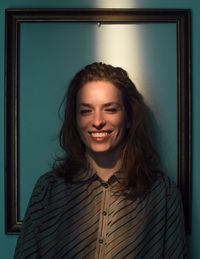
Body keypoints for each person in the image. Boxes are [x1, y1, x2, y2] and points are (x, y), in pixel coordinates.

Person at [14, 62, 187, 258]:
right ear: (75, 119)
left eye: (110, 109)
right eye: (86, 111)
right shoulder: (48, 190)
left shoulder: (162, 194)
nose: (97, 122)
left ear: (129, 118)